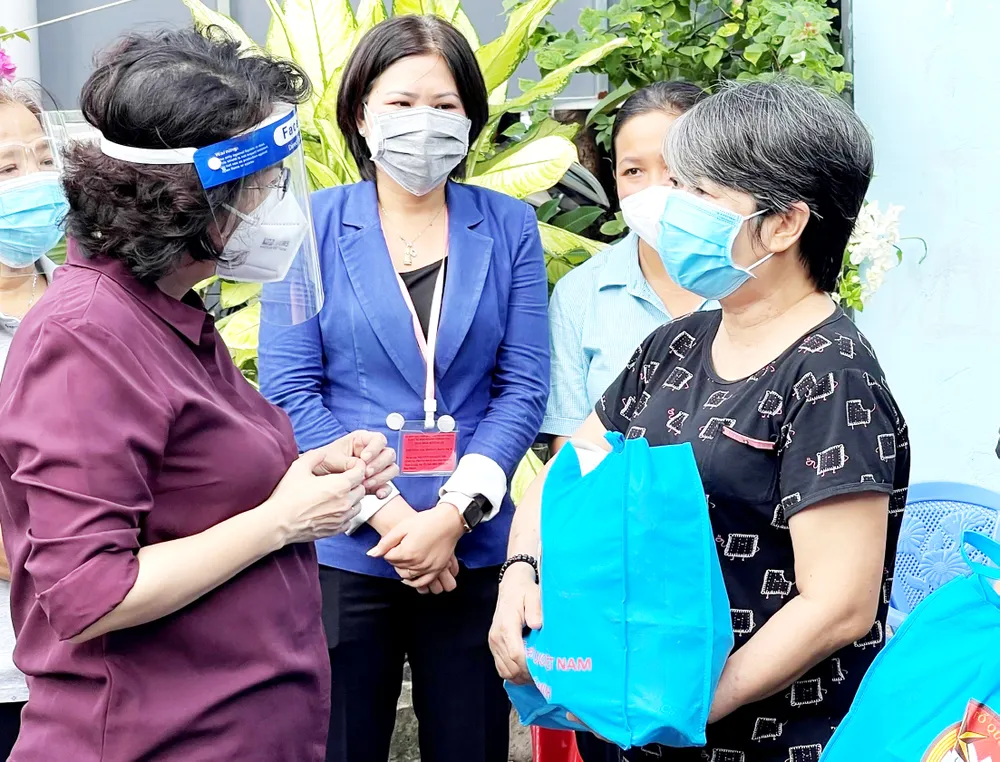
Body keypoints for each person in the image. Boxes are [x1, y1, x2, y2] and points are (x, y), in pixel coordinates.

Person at [0, 29, 398, 762]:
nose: (279, 206)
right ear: (189, 201)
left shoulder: (168, 312)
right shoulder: (86, 337)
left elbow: (189, 491)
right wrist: (280, 520)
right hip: (151, 740)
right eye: (265, 185)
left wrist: (305, 480)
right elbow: (89, 594)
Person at [489, 79, 910, 762]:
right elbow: (574, 467)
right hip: (633, 717)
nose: (670, 208)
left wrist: (695, 704)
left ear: (784, 224)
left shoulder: (832, 378)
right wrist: (520, 571)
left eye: (700, 193)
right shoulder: (676, 345)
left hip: (763, 738)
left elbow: (838, 606)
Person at [258, 14, 549, 762]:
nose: (425, 121)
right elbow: (290, 388)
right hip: (348, 544)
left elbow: (522, 386)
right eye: (401, 102)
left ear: (470, 118)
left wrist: (450, 516)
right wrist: (391, 517)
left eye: (444, 105)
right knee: (337, 745)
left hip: (470, 545)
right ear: (361, 113)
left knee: (472, 744)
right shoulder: (308, 226)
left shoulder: (509, 225)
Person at [542, 82, 711, 457]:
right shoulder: (579, 295)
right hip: (613, 494)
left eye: (676, 169)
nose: (656, 188)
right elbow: (570, 449)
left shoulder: (758, 282)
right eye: (634, 170)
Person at [0, 82, 65, 760]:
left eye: (43, 159)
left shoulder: (88, 301)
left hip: (93, 658)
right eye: (6, 168)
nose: (35, 181)